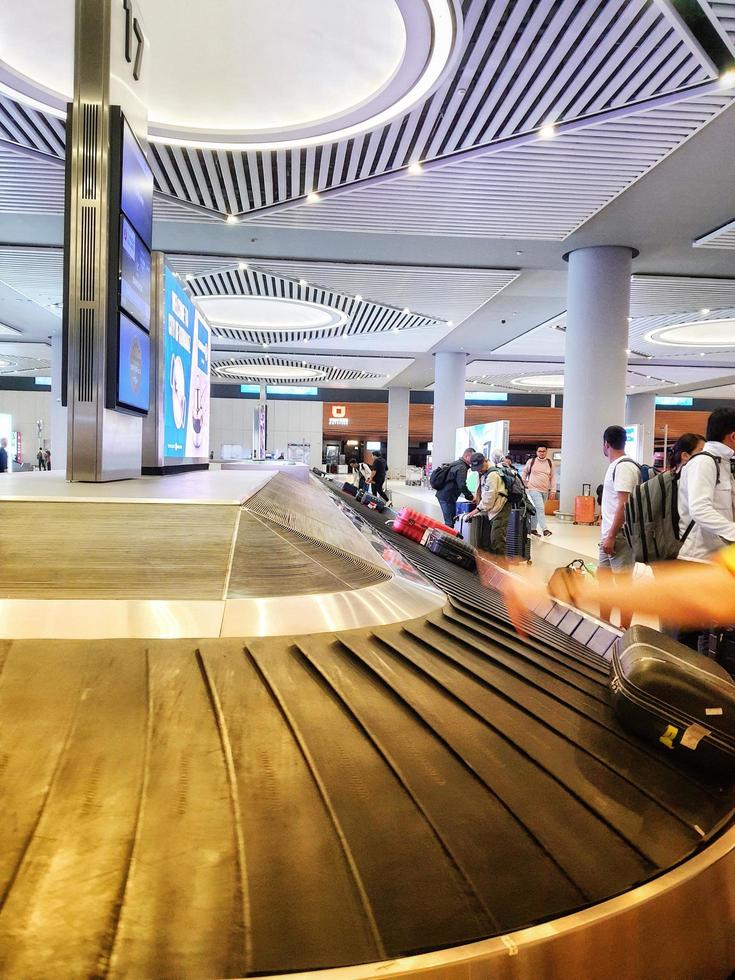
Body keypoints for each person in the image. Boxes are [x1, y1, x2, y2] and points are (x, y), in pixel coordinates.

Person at [677, 409, 735, 564]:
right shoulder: (703, 462)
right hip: (698, 557)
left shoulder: (723, 462)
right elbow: (700, 509)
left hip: (719, 556)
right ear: (733, 437)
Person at [598, 425, 641, 628]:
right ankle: (603, 623)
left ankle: (625, 629)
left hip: (620, 536)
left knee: (623, 587)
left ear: (606, 444)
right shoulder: (616, 465)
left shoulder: (624, 467)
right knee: (604, 581)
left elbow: (624, 504)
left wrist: (612, 535)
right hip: (609, 535)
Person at [467, 451, 511, 555]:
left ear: (485, 461)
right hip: (494, 509)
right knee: (491, 539)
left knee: (497, 540)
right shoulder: (485, 473)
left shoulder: (493, 475)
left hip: (500, 508)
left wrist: (475, 511)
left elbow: (489, 499)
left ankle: (502, 567)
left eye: (480, 467)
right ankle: (496, 564)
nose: (479, 470)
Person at [434, 447, 474, 527]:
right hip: (447, 497)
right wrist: (471, 497)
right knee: (450, 522)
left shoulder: (456, 463)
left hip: (443, 494)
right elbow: (461, 485)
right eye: (472, 458)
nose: (473, 460)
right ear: (467, 456)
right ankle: (447, 538)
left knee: (449, 520)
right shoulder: (462, 467)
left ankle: (448, 537)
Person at [523, 446, 556, 538]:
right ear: (537, 452)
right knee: (540, 508)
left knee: (538, 510)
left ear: (546, 452)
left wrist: (553, 490)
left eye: (543, 451)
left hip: (545, 490)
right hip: (533, 489)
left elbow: (553, 477)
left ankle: (532, 529)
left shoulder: (550, 463)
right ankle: (545, 529)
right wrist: (523, 483)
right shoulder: (531, 462)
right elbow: (525, 472)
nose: (541, 453)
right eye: (540, 451)